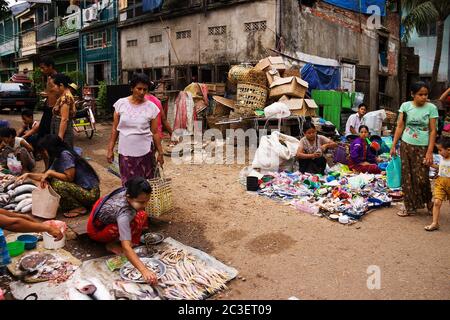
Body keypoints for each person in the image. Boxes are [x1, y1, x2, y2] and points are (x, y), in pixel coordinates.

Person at [87, 177, 157, 285]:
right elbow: (126, 248)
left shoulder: (129, 190)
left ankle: (129, 241)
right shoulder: (124, 213)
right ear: (129, 198)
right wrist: (144, 270)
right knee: (134, 223)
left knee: (141, 215)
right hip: (96, 228)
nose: (145, 205)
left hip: (103, 209)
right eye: (141, 202)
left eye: (147, 201)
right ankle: (110, 244)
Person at [17, 135, 100, 218]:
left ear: (51, 148)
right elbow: (45, 176)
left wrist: (50, 173)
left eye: (44, 149)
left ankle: (79, 208)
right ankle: (79, 204)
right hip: (83, 191)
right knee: (51, 179)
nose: (43, 152)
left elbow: (69, 177)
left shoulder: (65, 155)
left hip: (91, 194)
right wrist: (28, 175)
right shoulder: (58, 157)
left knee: (56, 183)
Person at [390, 82, 438, 217]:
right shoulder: (405, 106)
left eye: (426, 94)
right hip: (406, 144)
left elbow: (433, 131)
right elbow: (400, 126)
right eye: (420, 94)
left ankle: (428, 202)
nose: (423, 97)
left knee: (422, 176)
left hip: (423, 147)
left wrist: (430, 151)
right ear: (412, 94)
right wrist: (394, 145)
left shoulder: (431, 108)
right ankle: (409, 206)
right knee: (407, 176)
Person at [107, 73, 164, 186]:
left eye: (145, 89)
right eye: (139, 88)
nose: (142, 92)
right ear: (132, 88)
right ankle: (130, 203)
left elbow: (155, 132)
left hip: (145, 153)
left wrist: (160, 153)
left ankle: (143, 203)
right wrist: (110, 149)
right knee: (128, 184)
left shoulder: (151, 107)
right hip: (125, 152)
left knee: (145, 185)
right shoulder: (120, 104)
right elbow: (115, 129)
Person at [424, 138, 450, 231]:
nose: (439, 153)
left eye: (440, 150)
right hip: (440, 183)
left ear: (448, 150)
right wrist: (431, 165)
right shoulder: (442, 158)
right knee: (437, 202)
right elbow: (440, 168)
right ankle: (435, 223)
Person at [50, 73, 76, 148]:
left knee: (63, 153)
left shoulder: (66, 97)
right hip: (62, 128)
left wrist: (60, 137)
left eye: (54, 86)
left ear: (61, 85)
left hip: (63, 131)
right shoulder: (64, 96)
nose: (53, 88)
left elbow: (64, 119)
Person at [38, 56, 59, 139]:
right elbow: (50, 92)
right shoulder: (49, 77)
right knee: (42, 133)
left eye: (43, 68)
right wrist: (46, 94)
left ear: (50, 66)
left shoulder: (59, 77)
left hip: (54, 110)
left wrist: (54, 89)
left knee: (47, 135)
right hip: (47, 108)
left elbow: (73, 87)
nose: (41, 70)